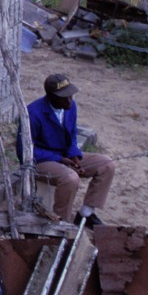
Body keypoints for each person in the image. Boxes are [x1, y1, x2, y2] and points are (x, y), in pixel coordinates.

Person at [26, 73, 115, 227]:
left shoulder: (70, 107)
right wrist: (59, 159)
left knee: (106, 164)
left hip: (64, 156)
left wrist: (75, 155)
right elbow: (25, 151)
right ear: (50, 97)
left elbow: (72, 135)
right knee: (70, 178)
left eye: (70, 95)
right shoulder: (33, 113)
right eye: (63, 97)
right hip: (41, 161)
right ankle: (62, 222)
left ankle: (85, 214)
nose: (69, 100)